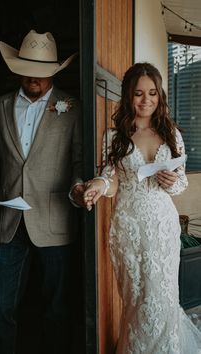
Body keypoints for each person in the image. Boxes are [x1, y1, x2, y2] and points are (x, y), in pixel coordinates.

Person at [0, 30, 84, 354]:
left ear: (53, 72)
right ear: (16, 68)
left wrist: (78, 187)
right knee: (0, 307)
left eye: (41, 73)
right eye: (27, 71)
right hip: (8, 222)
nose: (32, 79)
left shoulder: (72, 108)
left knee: (57, 310)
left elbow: (79, 159)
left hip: (55, 221)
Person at [84, 62, 201, 353]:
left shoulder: (172, 134)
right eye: (138, 93)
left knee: (162, 296)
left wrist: (172, 180)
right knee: (138, 299)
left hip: (162, 225)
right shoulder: (113, 137)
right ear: (128, 95)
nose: (146, 100)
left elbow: (181, 184)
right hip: (129, 228)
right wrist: (98, 185)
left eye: (152, 93)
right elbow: (111, 180)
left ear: (159, 96)